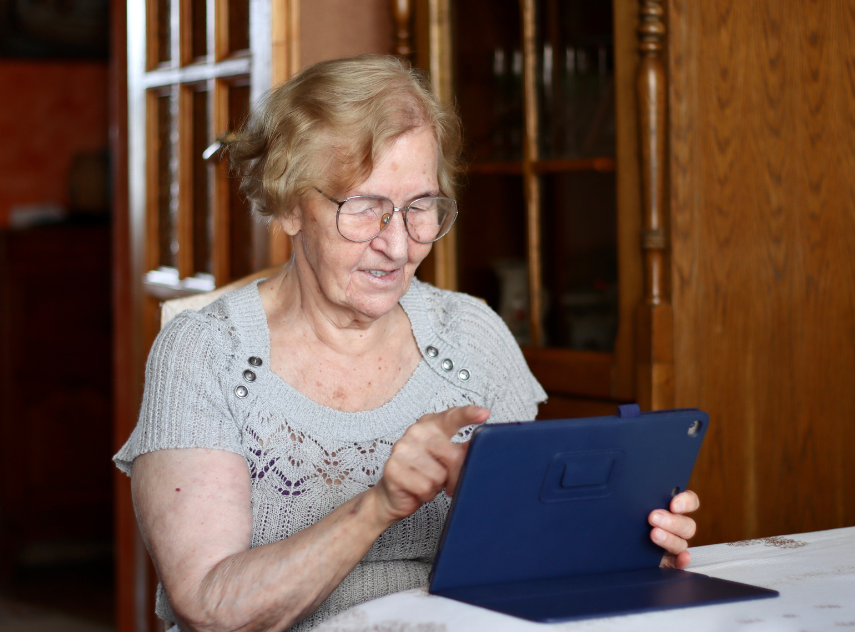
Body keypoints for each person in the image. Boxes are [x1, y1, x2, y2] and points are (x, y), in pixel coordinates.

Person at [114, 54, 699, 632]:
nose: (398, 246)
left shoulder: (471, 336)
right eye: (364, 209)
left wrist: (624, 549)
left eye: (420, 207)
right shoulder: (204, 355)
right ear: (290, 205)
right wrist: (378, 505)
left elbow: (524, 559)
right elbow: (211, 608)